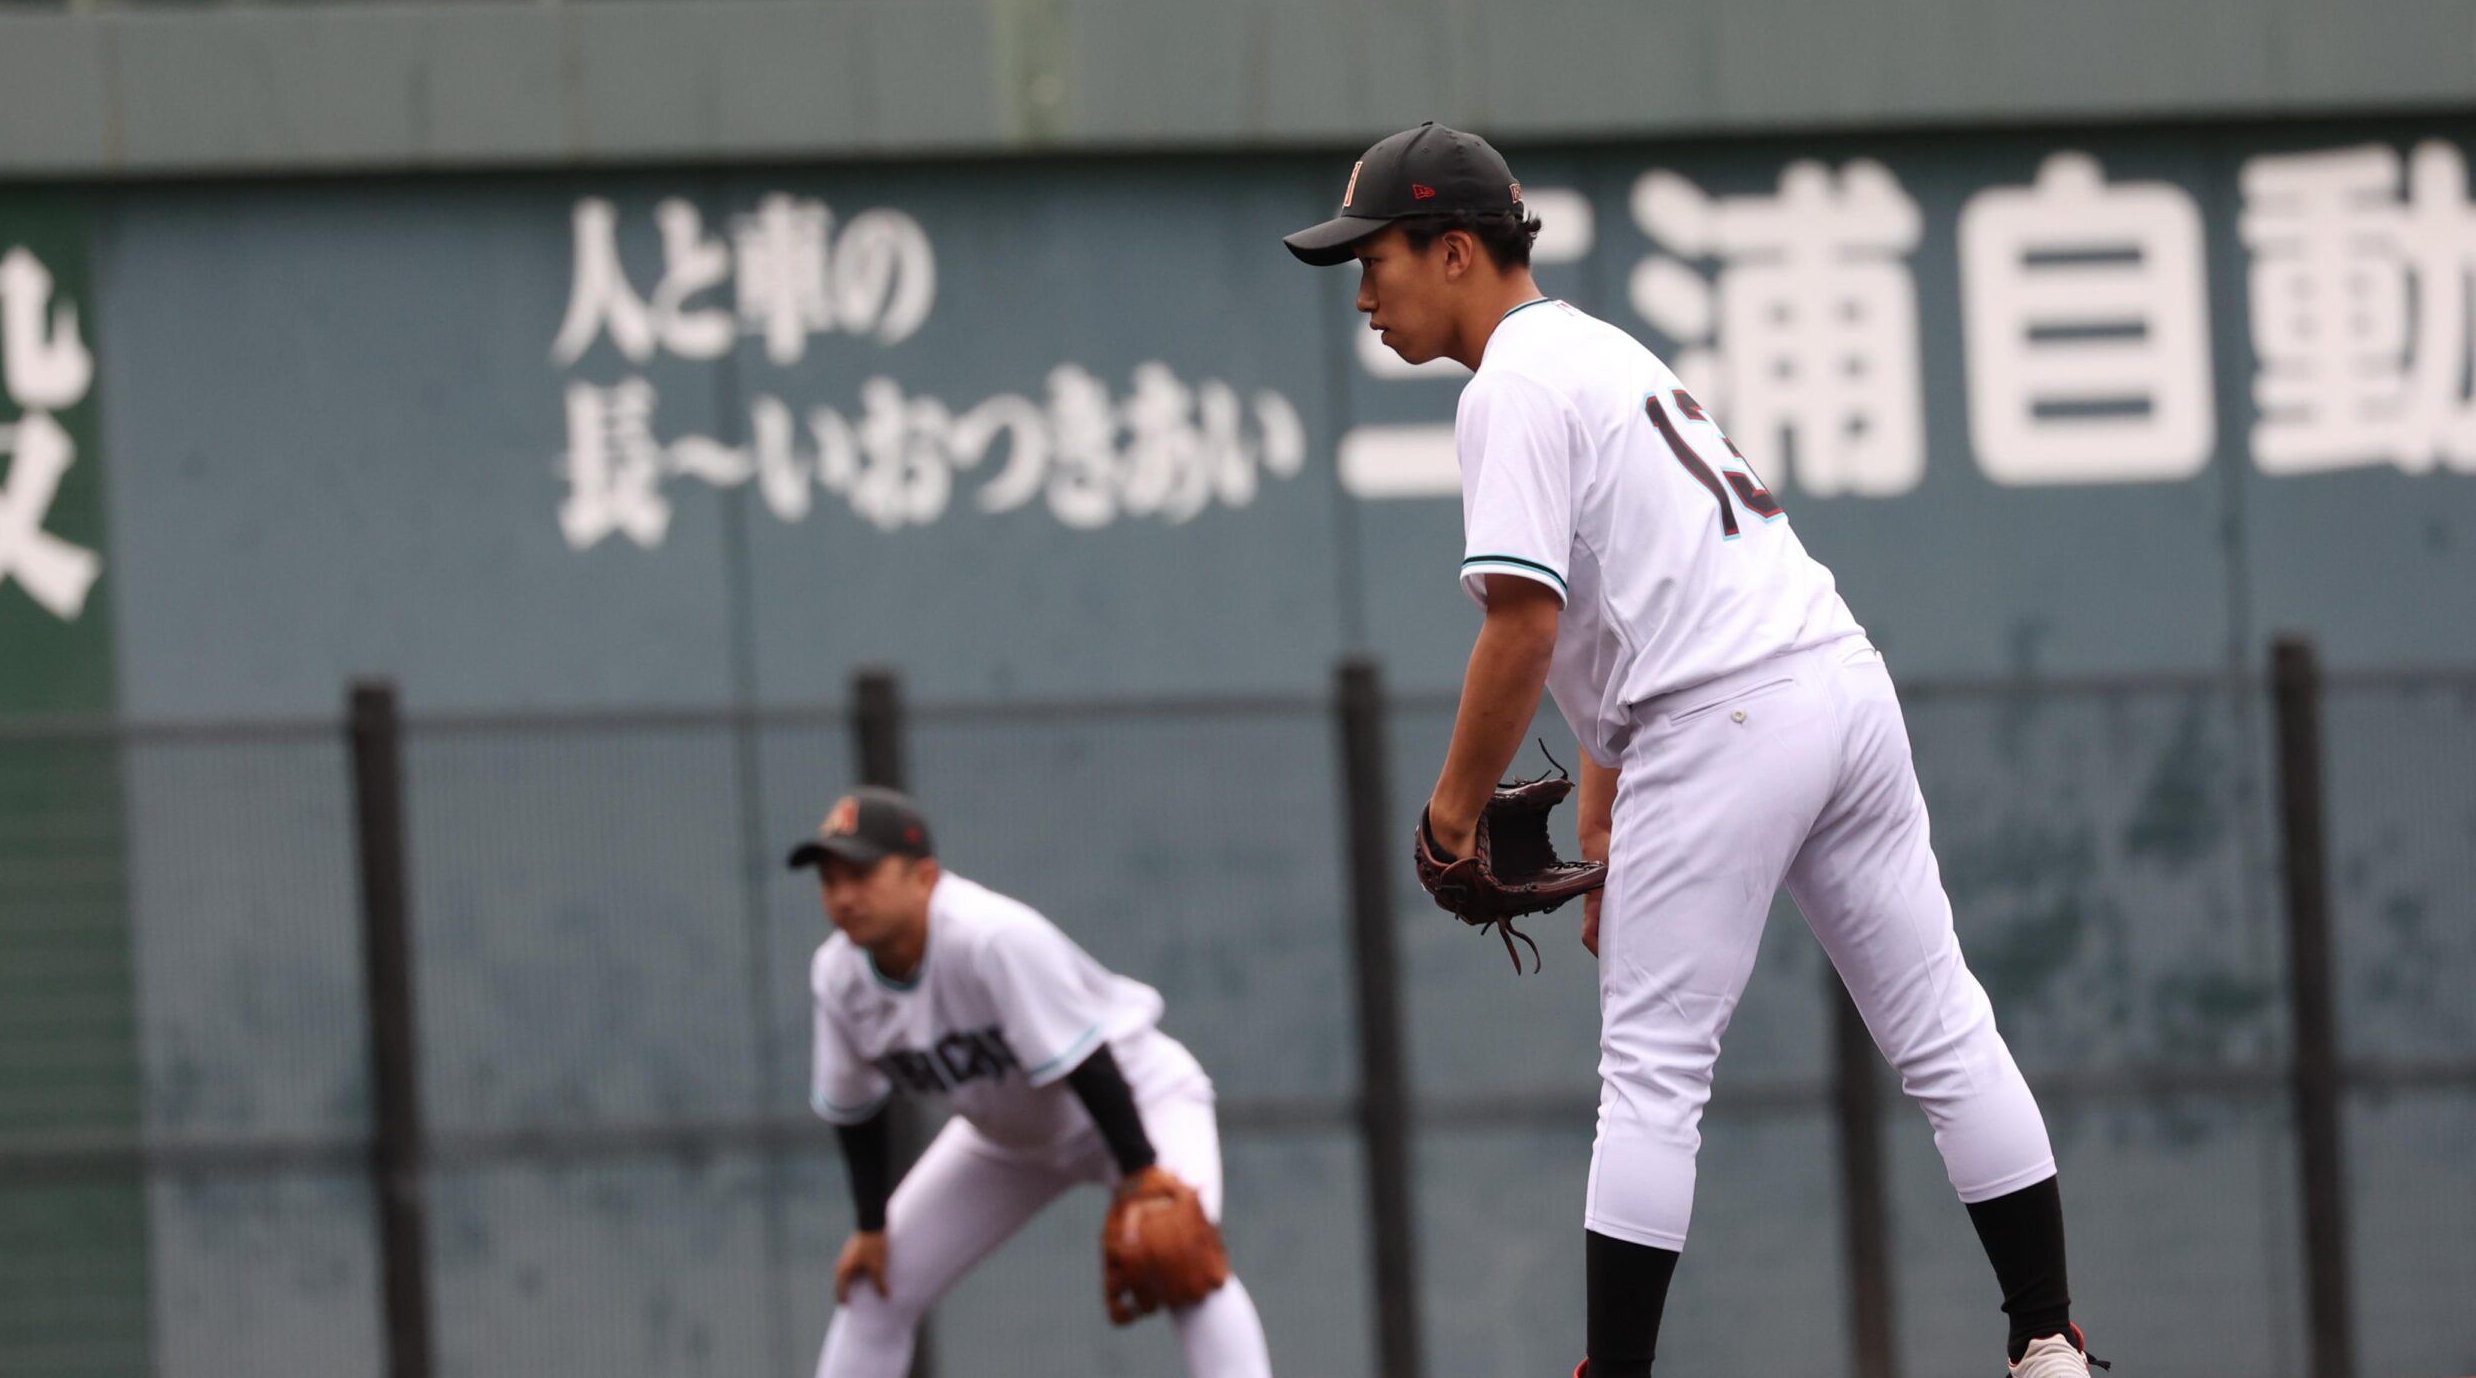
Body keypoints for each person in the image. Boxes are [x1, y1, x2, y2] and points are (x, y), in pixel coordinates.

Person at [1284, 122, 2097, 1378]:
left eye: (1373, 257)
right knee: (1942, 1025)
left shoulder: (1507, 386)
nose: (1361, 292)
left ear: (1452, 250)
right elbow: (1635, 592)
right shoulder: (1602, 351)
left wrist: (1448, 817)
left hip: (1720, 723)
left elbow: (1524, 624)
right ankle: (2046, 1341)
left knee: (1652, 1083)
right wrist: (1602, 814)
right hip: (1837, 685)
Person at [792, 787, 1274, 1378]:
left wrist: (1143, 1174)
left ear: (924, 877)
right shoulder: (838, 975)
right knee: (875, 1286)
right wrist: (872, 1226)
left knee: (1180, 1258)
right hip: (1008, 1139)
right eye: (829, 880)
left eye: (862, 875)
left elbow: (1088, 1062)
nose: (843, 896)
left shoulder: (988, 936)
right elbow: (855, 1109)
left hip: (1139, 1104)